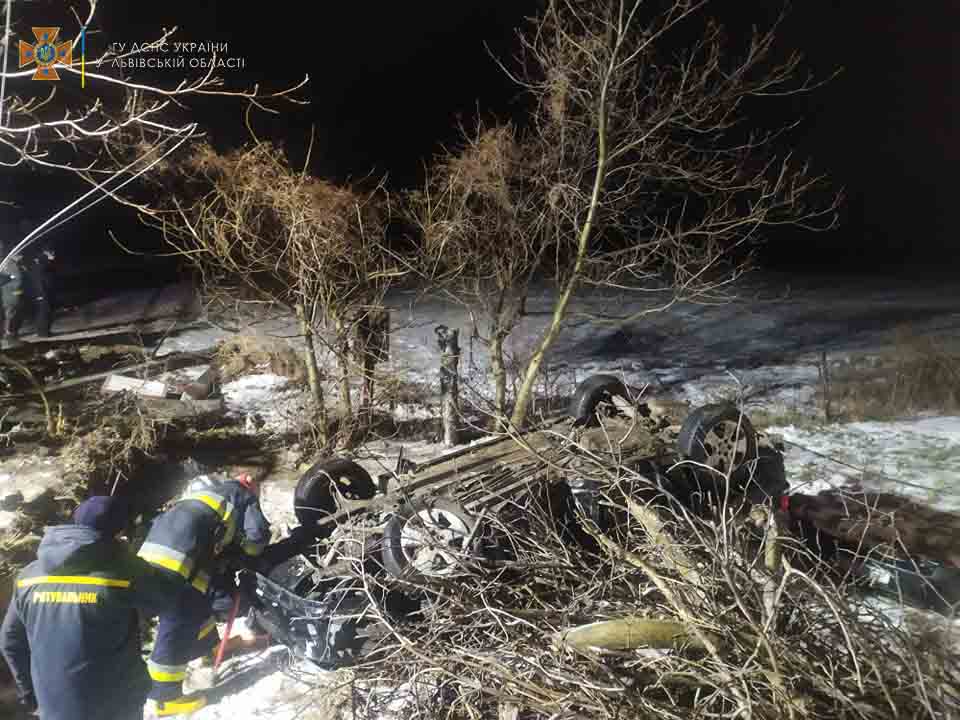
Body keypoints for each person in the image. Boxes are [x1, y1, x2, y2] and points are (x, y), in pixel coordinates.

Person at [0, 496, 180, 720]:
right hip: (116, 704)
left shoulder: (29, 575)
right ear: (119, 532)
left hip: (54, 706)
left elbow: (10, 640)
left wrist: (29, 692)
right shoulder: (125, 570)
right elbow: (167, 601)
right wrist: (127, 556)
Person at [138, 466, 271, 717]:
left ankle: (207, 650)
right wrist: (249, 557)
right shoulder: (242, 494)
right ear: (250, 483)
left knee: (198, 606)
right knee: (178, 624)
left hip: (152, 557)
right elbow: (256, 536)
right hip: (176, 565)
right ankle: (164, 698)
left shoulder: (205, 495)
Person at [0, 254, 27, 346]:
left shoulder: (12, 264)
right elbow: (16, 281)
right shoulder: (10, 265)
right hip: (11, 295)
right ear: (13, 255)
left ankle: (10, 336)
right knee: (11, 316)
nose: (22, 257)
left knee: (12, 315)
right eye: (20, 255)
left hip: (11, 294)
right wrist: (18, 292)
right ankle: (10, 338)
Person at [27, 249, 54, 338]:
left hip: (44, 292)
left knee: (45, 312)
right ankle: (43, 332)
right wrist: (40, 294)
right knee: (44, 312)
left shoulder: (40, 264)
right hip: (41, 293)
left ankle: (44, 331)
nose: (52, 255)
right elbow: (39, 281)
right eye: (51, 253)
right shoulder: (38, 265)